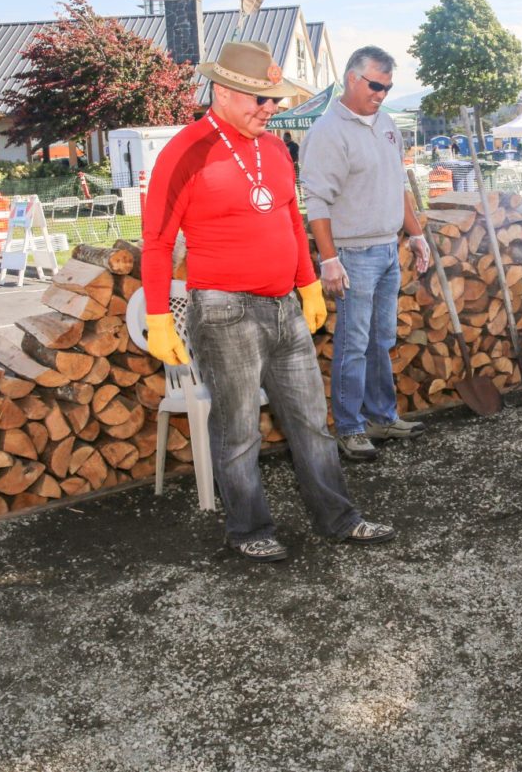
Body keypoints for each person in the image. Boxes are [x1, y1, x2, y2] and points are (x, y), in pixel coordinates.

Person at [141, 40, 396, 563]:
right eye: (260, 100)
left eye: (274, 100)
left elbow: (286, 219)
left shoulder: (277, 148)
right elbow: (158, 241)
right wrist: (157, 315)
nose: (271, 109)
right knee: (238, 432)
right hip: (222, 311)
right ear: (221, 92)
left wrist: (306, 281)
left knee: (311, 424)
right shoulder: (185, 151)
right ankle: (247, 529)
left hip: (285, 306)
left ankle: (338, 519)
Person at [299, 46, 432, 462]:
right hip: (353, 254)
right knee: (353, 343)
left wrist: (416, 235)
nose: (381, 94)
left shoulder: (388, 123)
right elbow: (317, 201)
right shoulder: (327, 132)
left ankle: (381, 416)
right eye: (375, 85)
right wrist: (329, 259)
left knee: (383, 338)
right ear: (352, 78)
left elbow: (399, 186)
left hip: (389, 249)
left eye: (388, 87)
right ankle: (350, 427)